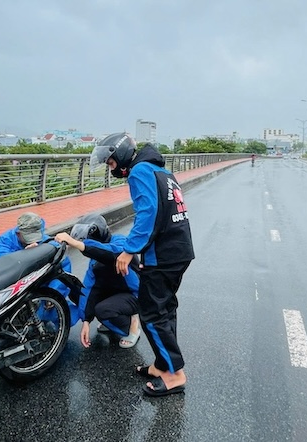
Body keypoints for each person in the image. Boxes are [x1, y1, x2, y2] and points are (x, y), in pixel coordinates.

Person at [90, 132, 195, 397]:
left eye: (111, 162)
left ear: (122, 154)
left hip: (164, 254)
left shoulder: (139, 172)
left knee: (152, 314)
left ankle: (174, 374)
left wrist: (129, 250)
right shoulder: (160, 170)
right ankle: (163, 365)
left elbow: (148, 214)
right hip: (179, 249)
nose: (110, 167)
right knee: (165, 309)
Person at [54, 213, 140, 349]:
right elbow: (88, 288)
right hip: (113, 293)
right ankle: (111, 316)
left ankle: (131, 326)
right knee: (76, 291)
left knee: (103, 311)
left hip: (134, 295)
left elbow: (111, 253)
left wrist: (78, 244)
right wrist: (86, 320)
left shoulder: (121, 243)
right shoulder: (95, 261)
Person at [0, 212, 79, 326]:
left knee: (66, 314)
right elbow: (1, 265)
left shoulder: (48, 242)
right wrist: (25, 255)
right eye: (29, 238)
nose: (34, 242)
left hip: (40, 292)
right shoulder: (4, 242)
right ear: (18, 234)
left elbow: (63, 267)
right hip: (15, 293)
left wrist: (55, 292)